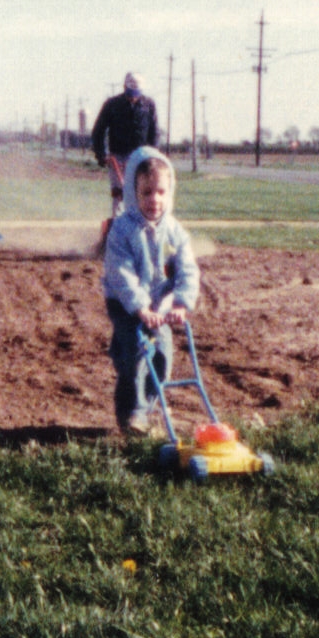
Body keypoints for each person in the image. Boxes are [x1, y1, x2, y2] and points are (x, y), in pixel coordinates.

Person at [101, 146, 199, 435]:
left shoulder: (175, 231)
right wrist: (140, 308)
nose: (154, 200)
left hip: (159, 307)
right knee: (136, 352)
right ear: (133, 193)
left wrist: (181, 303)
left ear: (170, 193)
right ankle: (132, 414)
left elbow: (188, 269)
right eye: (146, 193)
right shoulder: (122, 230)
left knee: (162, 357)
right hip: (126, 304)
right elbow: (121, 274)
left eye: (160, 192)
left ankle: (146, 407)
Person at [92, 72, 159, 216]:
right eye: (130, 92)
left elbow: (154, 133)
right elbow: (98, 131)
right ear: (124, 87)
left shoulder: (148, 105)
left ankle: (142, 227)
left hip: (141, 157)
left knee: (142, 192)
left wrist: (153, 156)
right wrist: (101, 155)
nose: (133, 97)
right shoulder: (112, 104)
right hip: (118, 157)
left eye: (136, 93)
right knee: (119, 193)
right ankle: (118, 229)